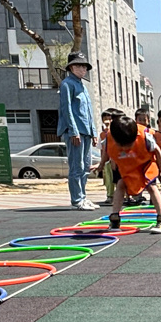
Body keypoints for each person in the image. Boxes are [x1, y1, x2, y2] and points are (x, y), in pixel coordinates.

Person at [104, 115, 161, 234]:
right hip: (127, 166)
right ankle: (114, 218)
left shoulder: (145, 137)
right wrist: (100, 164)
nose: (125, 148)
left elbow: (157, 151)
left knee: (151, 186)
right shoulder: (110, 138)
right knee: (120, 185)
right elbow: (106, 151)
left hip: (145, 165)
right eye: (121, 145)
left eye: (128, 145)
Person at [57, 51, 99, 210]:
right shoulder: (67, 84)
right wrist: (73, 131)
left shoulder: (82, 85)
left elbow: (88, 111)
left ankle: (83, 197)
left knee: (86, 166)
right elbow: (66, 109)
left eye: (85, 66)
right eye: (79, 66)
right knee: (77, 166)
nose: (83, 69)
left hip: (86, 131)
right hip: (75, 132)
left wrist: (93, 132)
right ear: (71, 67)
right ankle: (77, 199)